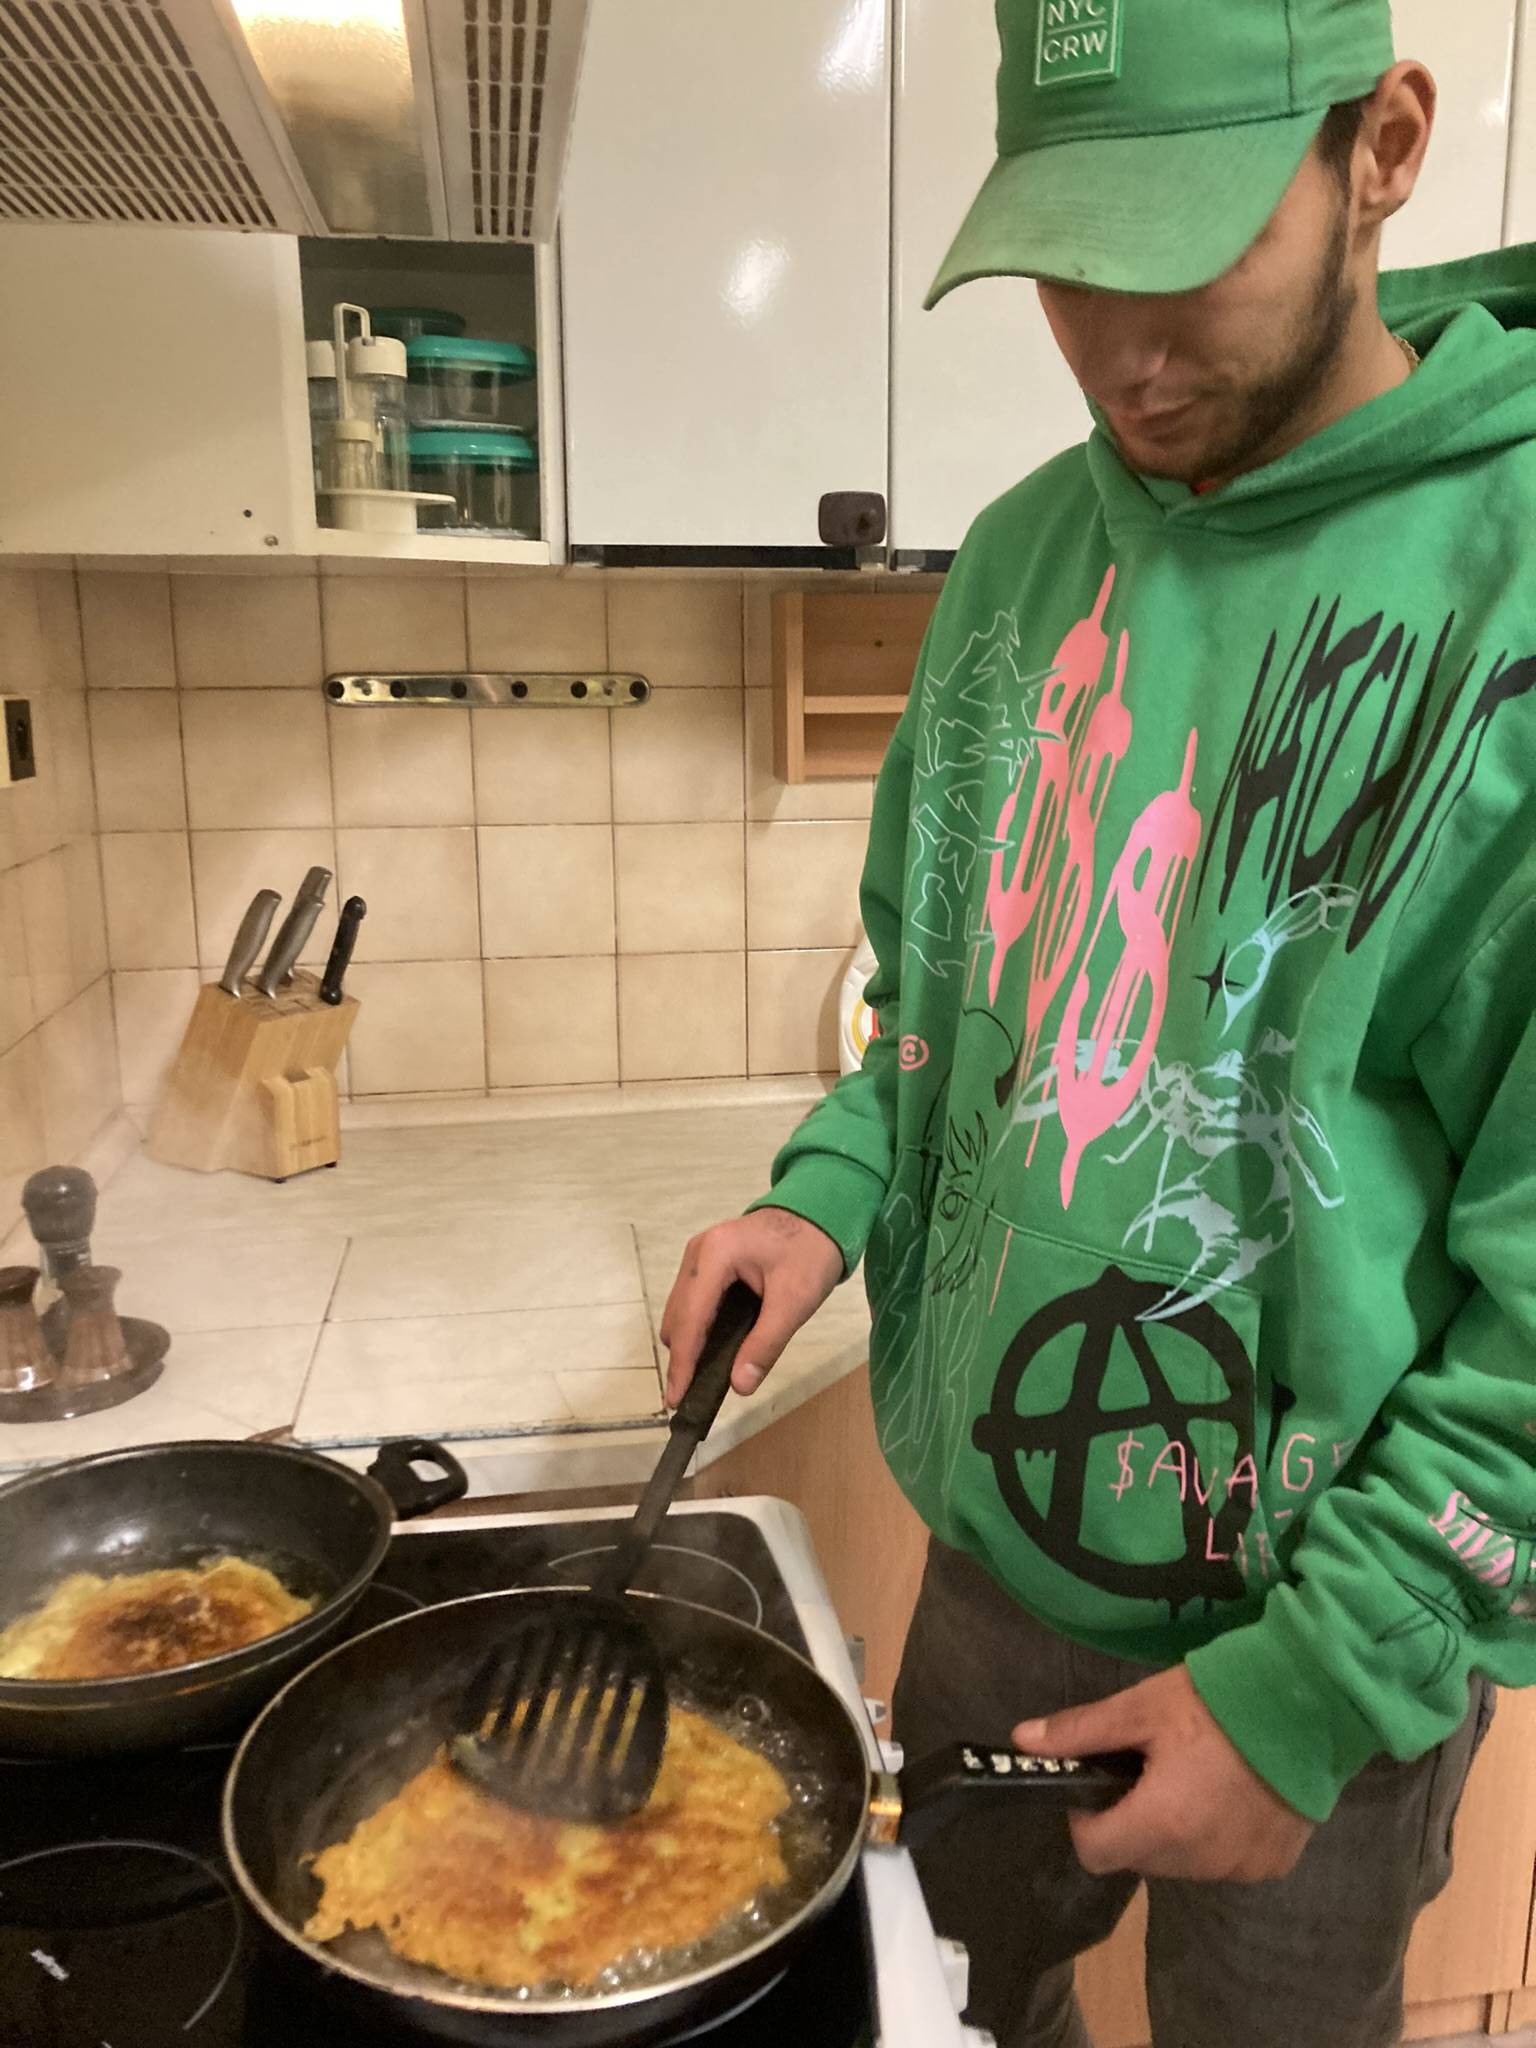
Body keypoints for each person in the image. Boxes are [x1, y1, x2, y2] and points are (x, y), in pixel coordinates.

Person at [662, 1, 1536, 2041]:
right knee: (952, 2011)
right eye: (1069, 264)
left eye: (1189, 245)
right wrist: (821, 1197)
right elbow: (931, 1000)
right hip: (995, 1567)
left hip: (1324, 1636)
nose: (1121, 349)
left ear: (1384, 147)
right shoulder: (1025, 557)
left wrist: (1317, 1686)